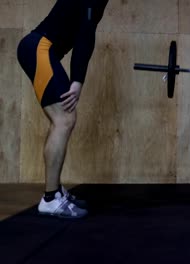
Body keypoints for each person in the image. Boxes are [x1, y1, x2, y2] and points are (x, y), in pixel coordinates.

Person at [17, 0, 109, 218]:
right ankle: (50, 199)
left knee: (62, 119)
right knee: (64, 119)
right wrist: (77, 80)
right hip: (38, 48)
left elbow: (82, 32)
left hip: (39, 50)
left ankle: (55, 192)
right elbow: (85, 35)